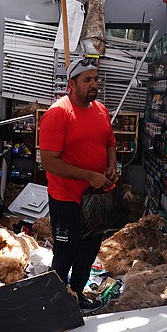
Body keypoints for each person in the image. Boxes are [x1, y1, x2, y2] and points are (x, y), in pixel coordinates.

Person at [38, 58, 118, 314]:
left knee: (88, 252)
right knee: (65, 254)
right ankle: (55, 305)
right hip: (67, 198)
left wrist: (112, 165)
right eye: (87, 80)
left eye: (96, 79)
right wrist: (88, 175)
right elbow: (49, 162)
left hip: (95, 198)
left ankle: (77, 295)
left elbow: (109, 142)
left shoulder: (101, 110)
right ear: (71, 84)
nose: (94, 84)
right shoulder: (57, 114)